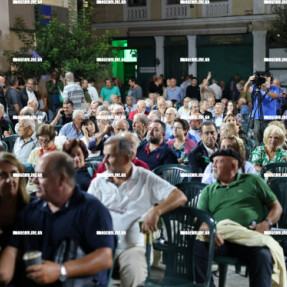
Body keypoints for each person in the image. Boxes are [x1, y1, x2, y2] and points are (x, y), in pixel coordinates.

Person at [0, 152, 114, 287]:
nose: (33, 180)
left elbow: (104, 258)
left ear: (60, 179)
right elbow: (12, 251)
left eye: (40, 175)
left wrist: (61, 270)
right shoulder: (30, 211)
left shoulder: (92, 209)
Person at [88, 136, 187, 287]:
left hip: (133, 248)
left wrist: (155, 212)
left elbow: (179, 196)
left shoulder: (145, 177)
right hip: (102, 246)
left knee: (134, 272)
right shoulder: (99, 182)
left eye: (110, 156)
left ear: (126, 158)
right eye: (104, 155)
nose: (104, 161)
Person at [196, 148, 283, 287]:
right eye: (213, 162)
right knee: (197, 246)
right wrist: (209, 230)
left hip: (249, 236)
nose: (213, 166)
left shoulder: (253, 181)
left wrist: (266, 223)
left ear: (233, 165)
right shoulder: (209, 191)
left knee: (264, 256)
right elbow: (201, 219)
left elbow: (276, 207)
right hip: (220, 239)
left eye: (218, 162)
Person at [244, 72, 281, 145]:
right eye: (264, 76)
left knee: (270, 138)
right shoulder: (256, 87)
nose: (266, 77)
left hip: (270, 118)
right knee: (257, 138)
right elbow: (245, 90)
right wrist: (249, 81)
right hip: (258, 118)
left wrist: (265, 90)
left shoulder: (274, 88)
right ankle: (257, 154)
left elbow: (275, 96)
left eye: (268, 76)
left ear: (271, 79)